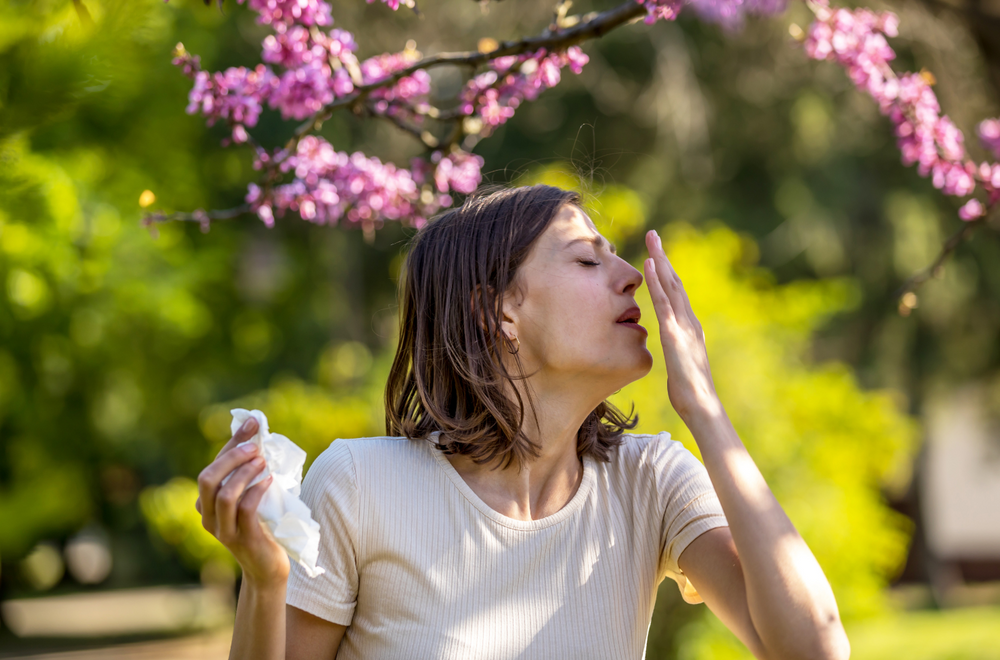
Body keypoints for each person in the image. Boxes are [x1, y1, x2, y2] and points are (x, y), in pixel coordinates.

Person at [195, 185, 850, 660]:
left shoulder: (651, 481)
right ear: (498, 310)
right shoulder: (360, 485)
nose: (631, 279)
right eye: (589, 261)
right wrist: (266, 577)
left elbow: (815, 650)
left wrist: (704, 408)